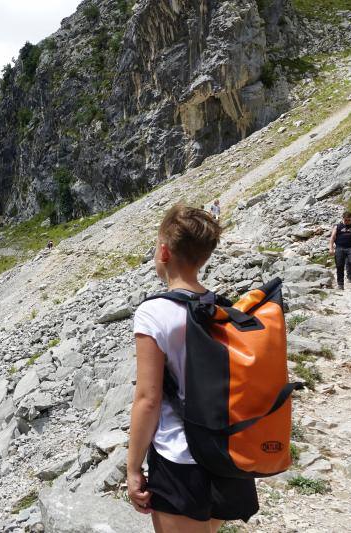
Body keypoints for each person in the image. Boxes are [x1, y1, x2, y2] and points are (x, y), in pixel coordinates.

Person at [127, 204, 258, 532]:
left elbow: (148, 399)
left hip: (178, 459)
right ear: (204, 256)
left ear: (163, 251)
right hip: (225, 453)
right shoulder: (222, 308)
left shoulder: (153, 313)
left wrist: (132, 469)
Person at [328, 211, 351, 290]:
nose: (347, 222)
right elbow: (332, 238)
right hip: (340, 248)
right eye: (345, 220)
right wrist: (331, 248)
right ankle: (340, 284)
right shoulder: (337, 227)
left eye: (349, 220)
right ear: (342, 219)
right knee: (339, 266)